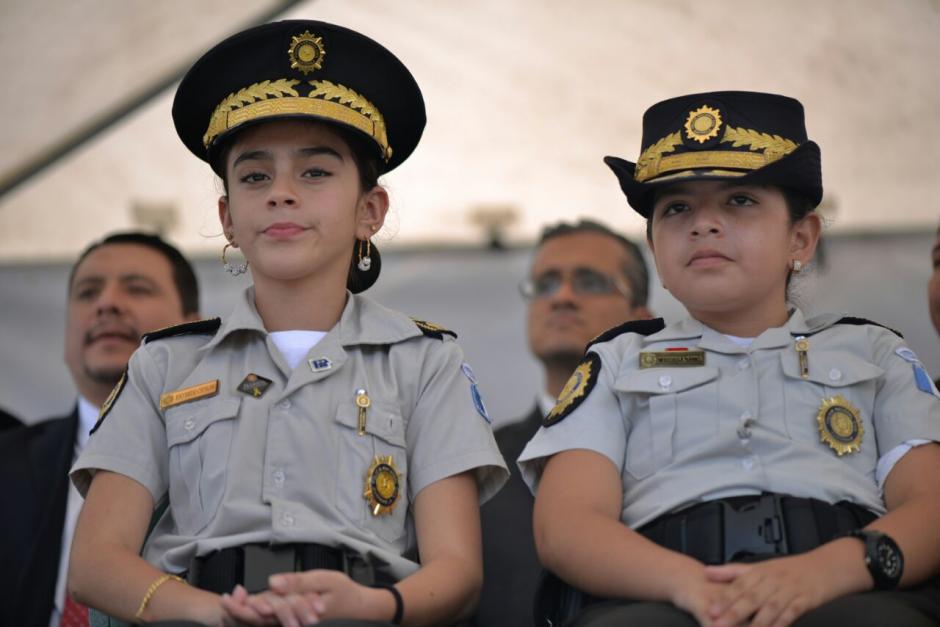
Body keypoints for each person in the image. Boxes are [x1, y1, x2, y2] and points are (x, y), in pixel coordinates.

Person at [68, 20, 507, 627]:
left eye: (316, 172)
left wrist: (374, 607)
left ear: (369, 212)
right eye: (254, 176)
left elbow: (457, 571)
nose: (280, 193)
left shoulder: (425, 361)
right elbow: (94, 564)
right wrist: (212, 613)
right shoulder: (163, 364)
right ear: (227, 217)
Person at [518, 91, 940, 627]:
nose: (703, 224)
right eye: (677, 209)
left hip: (846, 591)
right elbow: (566, 526)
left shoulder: (876, 352)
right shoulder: (616, 359)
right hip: (662, 597)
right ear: (654, 249)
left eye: (739, 200)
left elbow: (931, 509)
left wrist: (827, 573)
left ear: (801, 238)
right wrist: (687, 584)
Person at [0, 231, 200, 627]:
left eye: (137, 289)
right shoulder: (7, 460)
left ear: (193, 329)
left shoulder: (233, 448)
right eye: (88, 293)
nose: (107, 304)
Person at [473, 220, 651, 627]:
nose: (563, 297)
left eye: (590, 282)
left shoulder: (683, 445)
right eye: (545, 284)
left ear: (641, 317)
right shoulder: (479, 461)